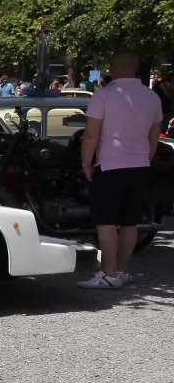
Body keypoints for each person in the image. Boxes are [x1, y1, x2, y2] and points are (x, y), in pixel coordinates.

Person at [78, 49, 164, 290]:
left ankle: (109, 273)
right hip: (140, 165)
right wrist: (145, 159)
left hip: (110, 165)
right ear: (137, 68)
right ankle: (123, 271)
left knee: (106, 222)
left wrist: (86, 162)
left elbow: (91, 134)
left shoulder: (104, 95)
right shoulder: (152, 97)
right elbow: (154, 137)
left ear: (113, 67)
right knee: (130, 223)